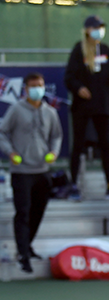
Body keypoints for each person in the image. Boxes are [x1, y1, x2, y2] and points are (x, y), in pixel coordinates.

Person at [0, 73, 63, 273]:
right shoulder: (17, 110)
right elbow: (2, 132)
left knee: (38, 211)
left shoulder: (50, 112)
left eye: (41, 85)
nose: (37, 89)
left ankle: (27, 245)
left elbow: (57, 136)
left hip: (42, 170)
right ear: (26, 89)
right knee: (23, 211)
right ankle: (22, 254)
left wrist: (54, 152)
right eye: (33, 86)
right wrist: (10, 152)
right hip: (22, 170)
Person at [64, 15, 109, 200]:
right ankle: (73, 183)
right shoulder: (79, 50)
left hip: (103, 105)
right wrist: (79, 88)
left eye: (101, 27)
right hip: (82, 106)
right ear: (87, 30)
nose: (99, 30)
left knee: (105, 145)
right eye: (95, 27)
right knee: (78, 145)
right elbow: (69, 77)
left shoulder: (106, 50)